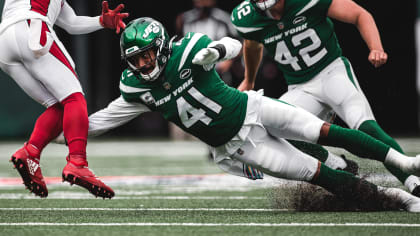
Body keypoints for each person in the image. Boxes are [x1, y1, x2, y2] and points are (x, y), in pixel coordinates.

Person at [70, 17, 420, 211]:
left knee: (322, 132)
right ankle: (401, 200)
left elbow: (236, 46)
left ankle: (403, 164)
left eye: (147, 55)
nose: (143, 63)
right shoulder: (135, 88)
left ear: (160, 47)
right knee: (316, 175)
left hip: (251, 107)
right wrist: (60, 126)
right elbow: (96, 123)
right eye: (136, 59)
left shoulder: (186, 49)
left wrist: (215, 50)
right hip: (237, 148)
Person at [230, 0, 420, 196]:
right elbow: (252, 43)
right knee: (273, 128)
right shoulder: (246, 17)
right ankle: (335, 163)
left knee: (367, 128)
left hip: (332, 73)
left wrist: (375, 47)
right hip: (299, 87)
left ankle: (413, 181)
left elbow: (359, 15)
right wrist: (249, 80)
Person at [0, 0, 128, 198]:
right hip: (31, 26)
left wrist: (101, 21)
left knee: (59, 105)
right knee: (74, 98)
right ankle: (78, 162)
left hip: (5, 41)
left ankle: (30, 153)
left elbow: (71, 22)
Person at [171, 0, 241, 141]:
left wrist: (229, 61)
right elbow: (175, 46)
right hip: (188, 74)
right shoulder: (184, 19)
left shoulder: (224, 19)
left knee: (218, 108)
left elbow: (238, 43)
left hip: (216, 73)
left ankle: (217, 137)